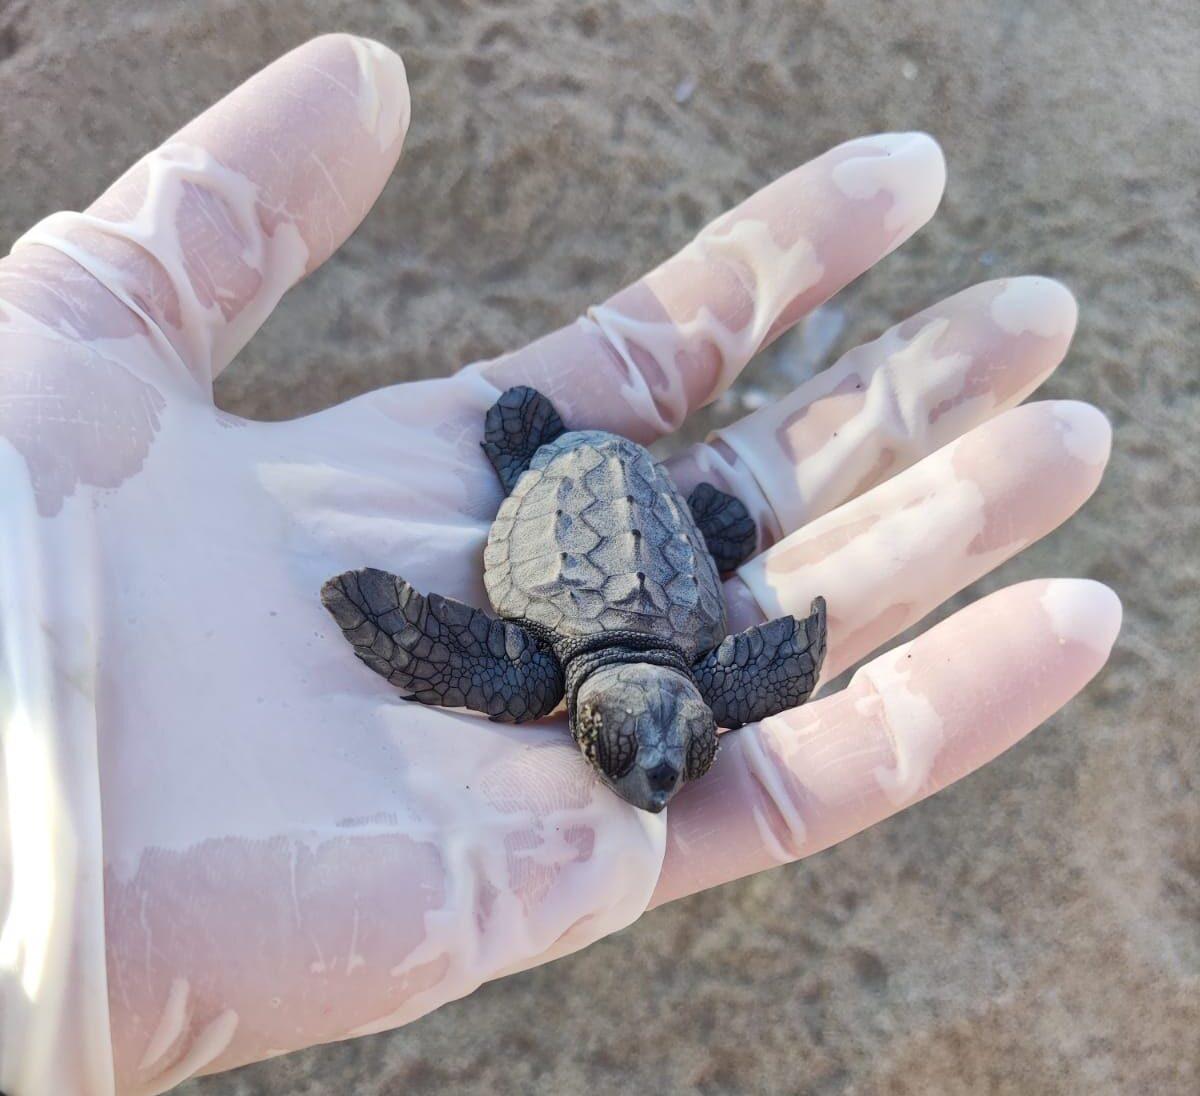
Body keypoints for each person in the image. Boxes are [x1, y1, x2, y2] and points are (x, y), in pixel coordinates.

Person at [0, 34, 1120, 1096]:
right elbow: (426, 626)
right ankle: (563, 472)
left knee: (715, 535)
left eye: (659, 760)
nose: (654, 784)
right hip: (578, 488)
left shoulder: (633, 677)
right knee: (653, 515)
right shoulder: (560, 673)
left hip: (635, 552)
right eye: (652, 754)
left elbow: (724, 665)